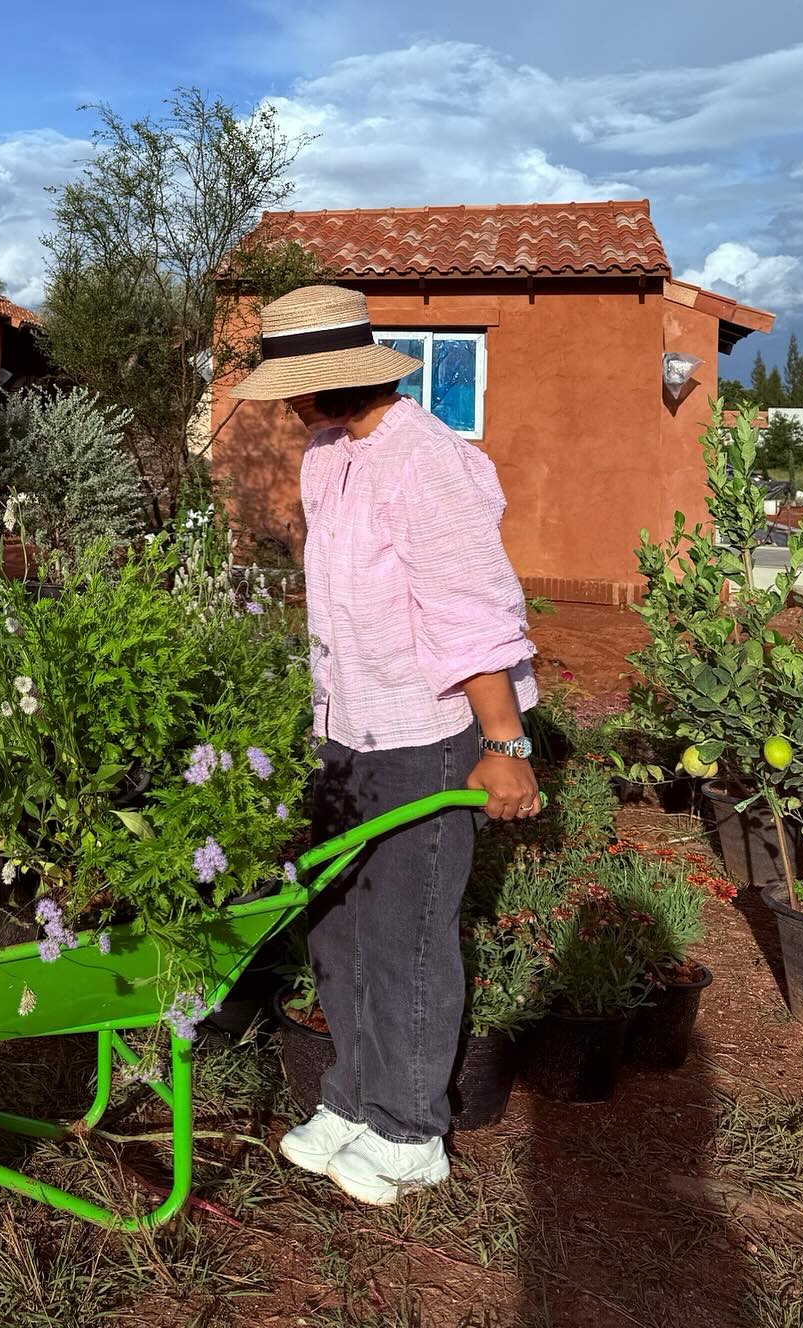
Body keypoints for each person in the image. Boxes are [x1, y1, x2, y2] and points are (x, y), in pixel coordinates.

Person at [231, 284, 541, 1205]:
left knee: (407, 934)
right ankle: (352, 1101)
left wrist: (504, 744)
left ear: (342, 376)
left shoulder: (425, 461)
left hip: (423, 733)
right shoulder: (329, 454)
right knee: (339, 925)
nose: (287, 402)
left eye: (299, 382)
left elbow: (472, 612)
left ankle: (410, 1132)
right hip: (345, 728)